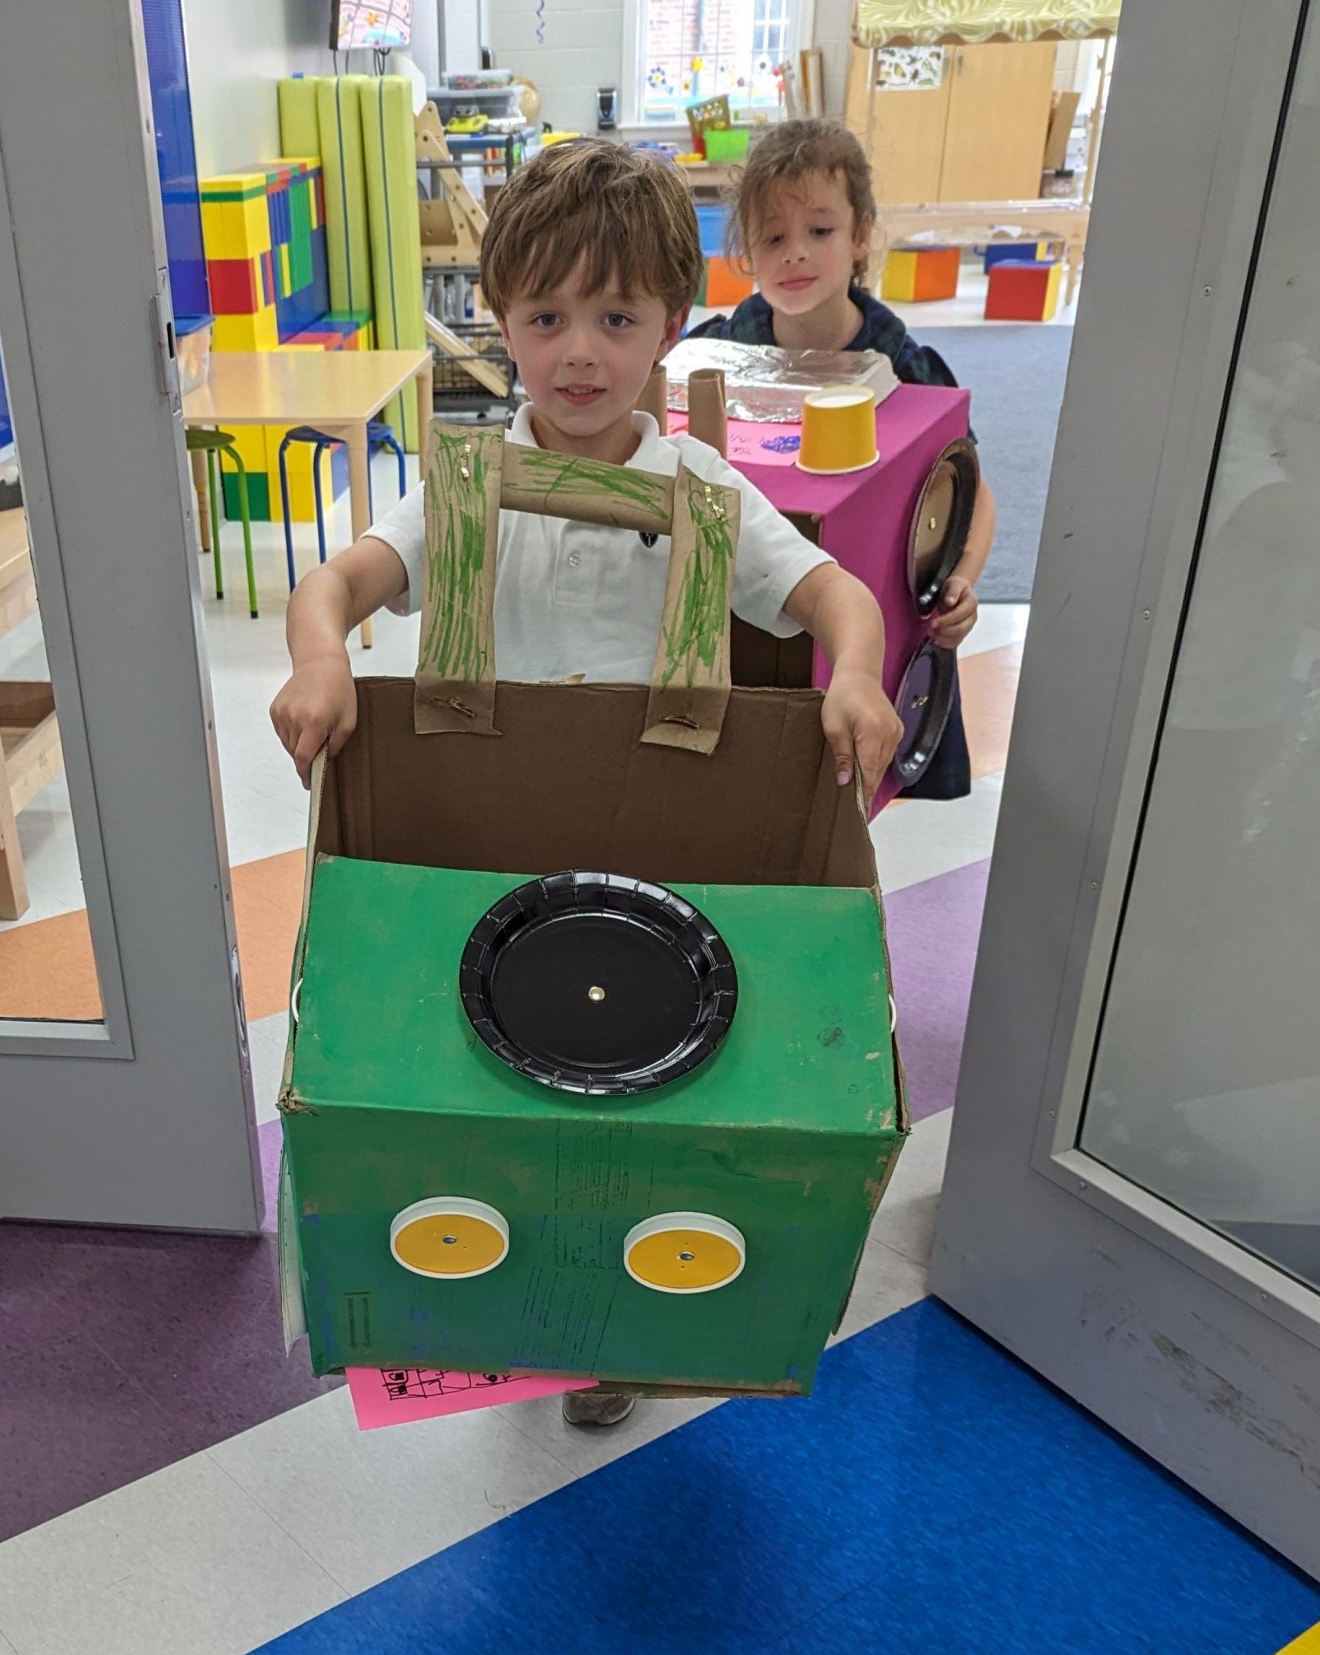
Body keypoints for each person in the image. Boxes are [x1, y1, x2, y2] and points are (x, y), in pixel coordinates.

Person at [270, 139, 903, 1430]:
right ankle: (502, 1291)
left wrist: (858, 674)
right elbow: (336, 581)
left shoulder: (700, 486)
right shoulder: (459, 486)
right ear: (498, 320)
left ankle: (609, 1321)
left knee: (632, 1078)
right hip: (491, 838)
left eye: (617, 319)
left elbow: (834, 594)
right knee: (489, 1066)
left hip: (653, 844)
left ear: (673, 324)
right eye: (546, 317)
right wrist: (321, 659)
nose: (578, 353)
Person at [687, 117, 999, 798]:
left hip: (874, 626)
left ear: (860, 235)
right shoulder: (714, 353)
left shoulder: (906, 364)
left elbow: (970, 491)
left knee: (859, 782)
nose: (795, 254)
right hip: (753, 615)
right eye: (773, 237)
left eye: (819, 231)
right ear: (747, 249)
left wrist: (958, 582)